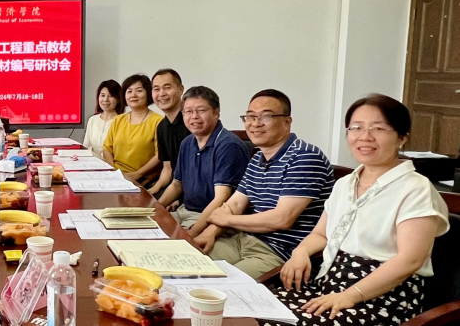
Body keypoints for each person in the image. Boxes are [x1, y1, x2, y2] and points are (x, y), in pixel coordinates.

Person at [262, 95, 449, 326]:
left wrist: (349, 296)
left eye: (378, 128)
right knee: (245, 311)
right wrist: (300, 253)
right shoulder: (345, 184)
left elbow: (410, 260)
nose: (365, 136)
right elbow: (321, 234)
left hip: (382, 299)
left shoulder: (416, 188)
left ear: (402, 137)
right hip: (327, 286)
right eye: (356, 128)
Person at [200, 89, 334, 278]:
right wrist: (212, 231)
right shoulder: (257, 158)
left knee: (215, 284)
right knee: (187, 264)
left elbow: (281, 219)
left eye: (266, 117)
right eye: (250, 116)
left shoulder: (304, 157)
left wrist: (227, 220)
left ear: (287, 122)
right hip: (242, 240)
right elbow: (235, 203)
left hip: (278, 253)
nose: (256, 123)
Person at [157, 86, 249, 238]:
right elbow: (177, 185)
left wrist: (192, 234)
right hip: (183, 211)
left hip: (209, 217)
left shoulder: (228, 145)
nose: (194, 116)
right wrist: (154, 211)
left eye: (201, 110)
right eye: (188, 111)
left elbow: (221, 199)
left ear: (216, 113)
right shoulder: (187, 142)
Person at [103, 74, 164, 185]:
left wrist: (138, 174)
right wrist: (115, 172)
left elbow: (159, 155)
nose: (133, 95)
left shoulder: (158, 121)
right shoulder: (118, 120)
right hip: (117, 177)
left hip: (145, 180)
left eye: (139, 91)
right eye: (129, 91)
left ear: (148, 93)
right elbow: (107, 148)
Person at [148, 69, 190, 196]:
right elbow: (167, 168)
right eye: (156, 89)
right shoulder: (162, 126)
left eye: (167, 88)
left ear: (181, 89)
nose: (161, 94)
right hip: (173, 187)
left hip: (190, 192)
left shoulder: (192, 122)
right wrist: (152, 191)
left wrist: (177, 198)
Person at [83, 79, 123, 158]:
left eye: (110, 96)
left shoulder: (123, 121)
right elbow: (87, 147)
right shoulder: (93, 120)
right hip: (93, 163)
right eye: (102, 95)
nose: (105, 100)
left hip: (114, 164)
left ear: (118, 99)